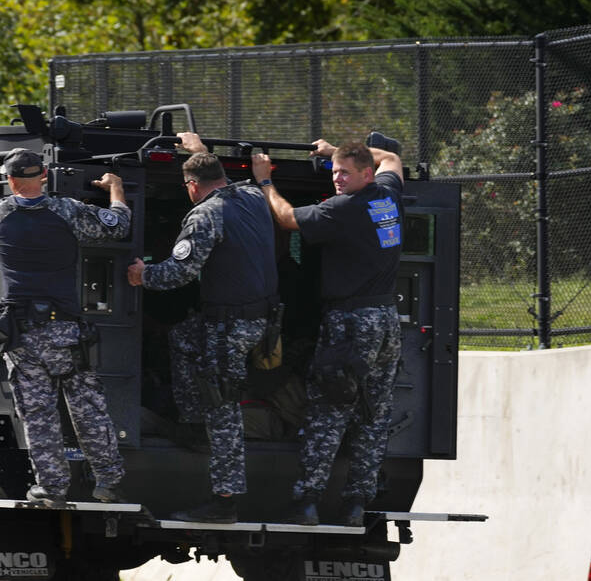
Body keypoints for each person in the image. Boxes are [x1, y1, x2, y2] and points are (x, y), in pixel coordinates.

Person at [252, 138, 405, 527]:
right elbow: (392, 158)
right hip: (386, 320)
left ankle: (307, 501)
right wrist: (334, 149)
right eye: (334, 172)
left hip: (350, 323)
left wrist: (266, 182)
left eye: (345, 173)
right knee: (373, 415)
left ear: (365, 174)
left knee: (328, 412)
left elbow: (287, 218)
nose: (337, 179)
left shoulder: (343, 209)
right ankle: (356, 504)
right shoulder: (386, 196)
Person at [127, 132, 279, 523]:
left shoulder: (204, 214)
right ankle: (192, 422)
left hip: (229, 326)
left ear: (192, 186)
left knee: (221, 405)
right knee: (183, 337)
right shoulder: (250, 197)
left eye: (188, 186)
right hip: (256, 320)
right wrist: (198, 151)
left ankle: (225, 499)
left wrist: (144, 274)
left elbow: (180, 272)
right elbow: (217, 173)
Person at [0, 148, 130, 505]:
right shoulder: (67, 211)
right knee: (86, 407)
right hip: (65, 331)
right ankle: (108, 481)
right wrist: (116, 190)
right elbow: (119, 225)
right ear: (44, 175)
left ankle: (51, 488)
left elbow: (14, 212)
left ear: (10, 179)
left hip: (21, 333)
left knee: (37, 413)